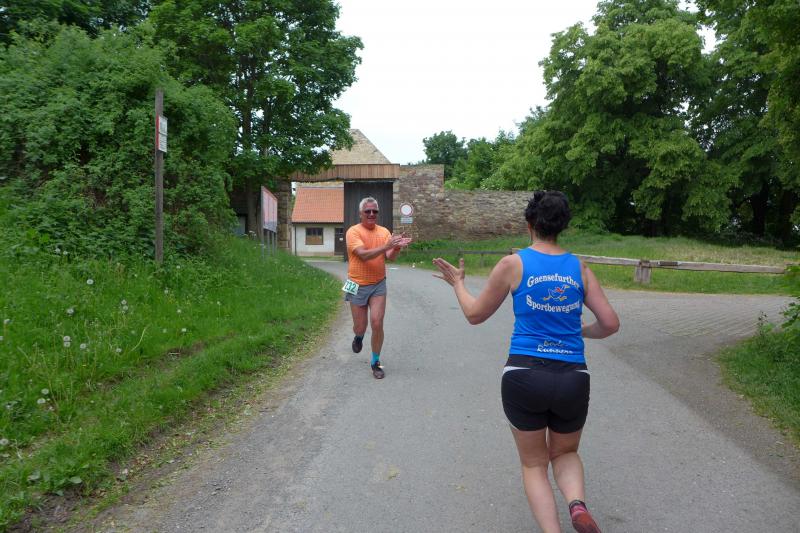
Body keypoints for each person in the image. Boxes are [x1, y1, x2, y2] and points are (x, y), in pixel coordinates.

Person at [432, 191, 619, 533]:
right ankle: (577, 505)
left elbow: (475, 315)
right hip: (572, 376)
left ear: (529, 224)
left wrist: (458, 284)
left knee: (534, 464)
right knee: (565, 453)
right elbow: (610, 323)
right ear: (562, 226)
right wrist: (582, 332)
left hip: (524, 375)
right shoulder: (579, 268)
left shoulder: (514, 264)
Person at [345, 197, 412, 379]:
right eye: (367, 211)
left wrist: (396, 248)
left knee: (377, 322)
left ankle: (375, 362)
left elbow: (390, 256)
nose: (371, 214)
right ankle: (359, 337)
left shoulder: (384, 232)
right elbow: (363, 255)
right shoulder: (353, 232)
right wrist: (387, 246)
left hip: (378, 284)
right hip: (355, 284)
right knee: (360, 327)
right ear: (360, 213)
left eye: (375, 211)